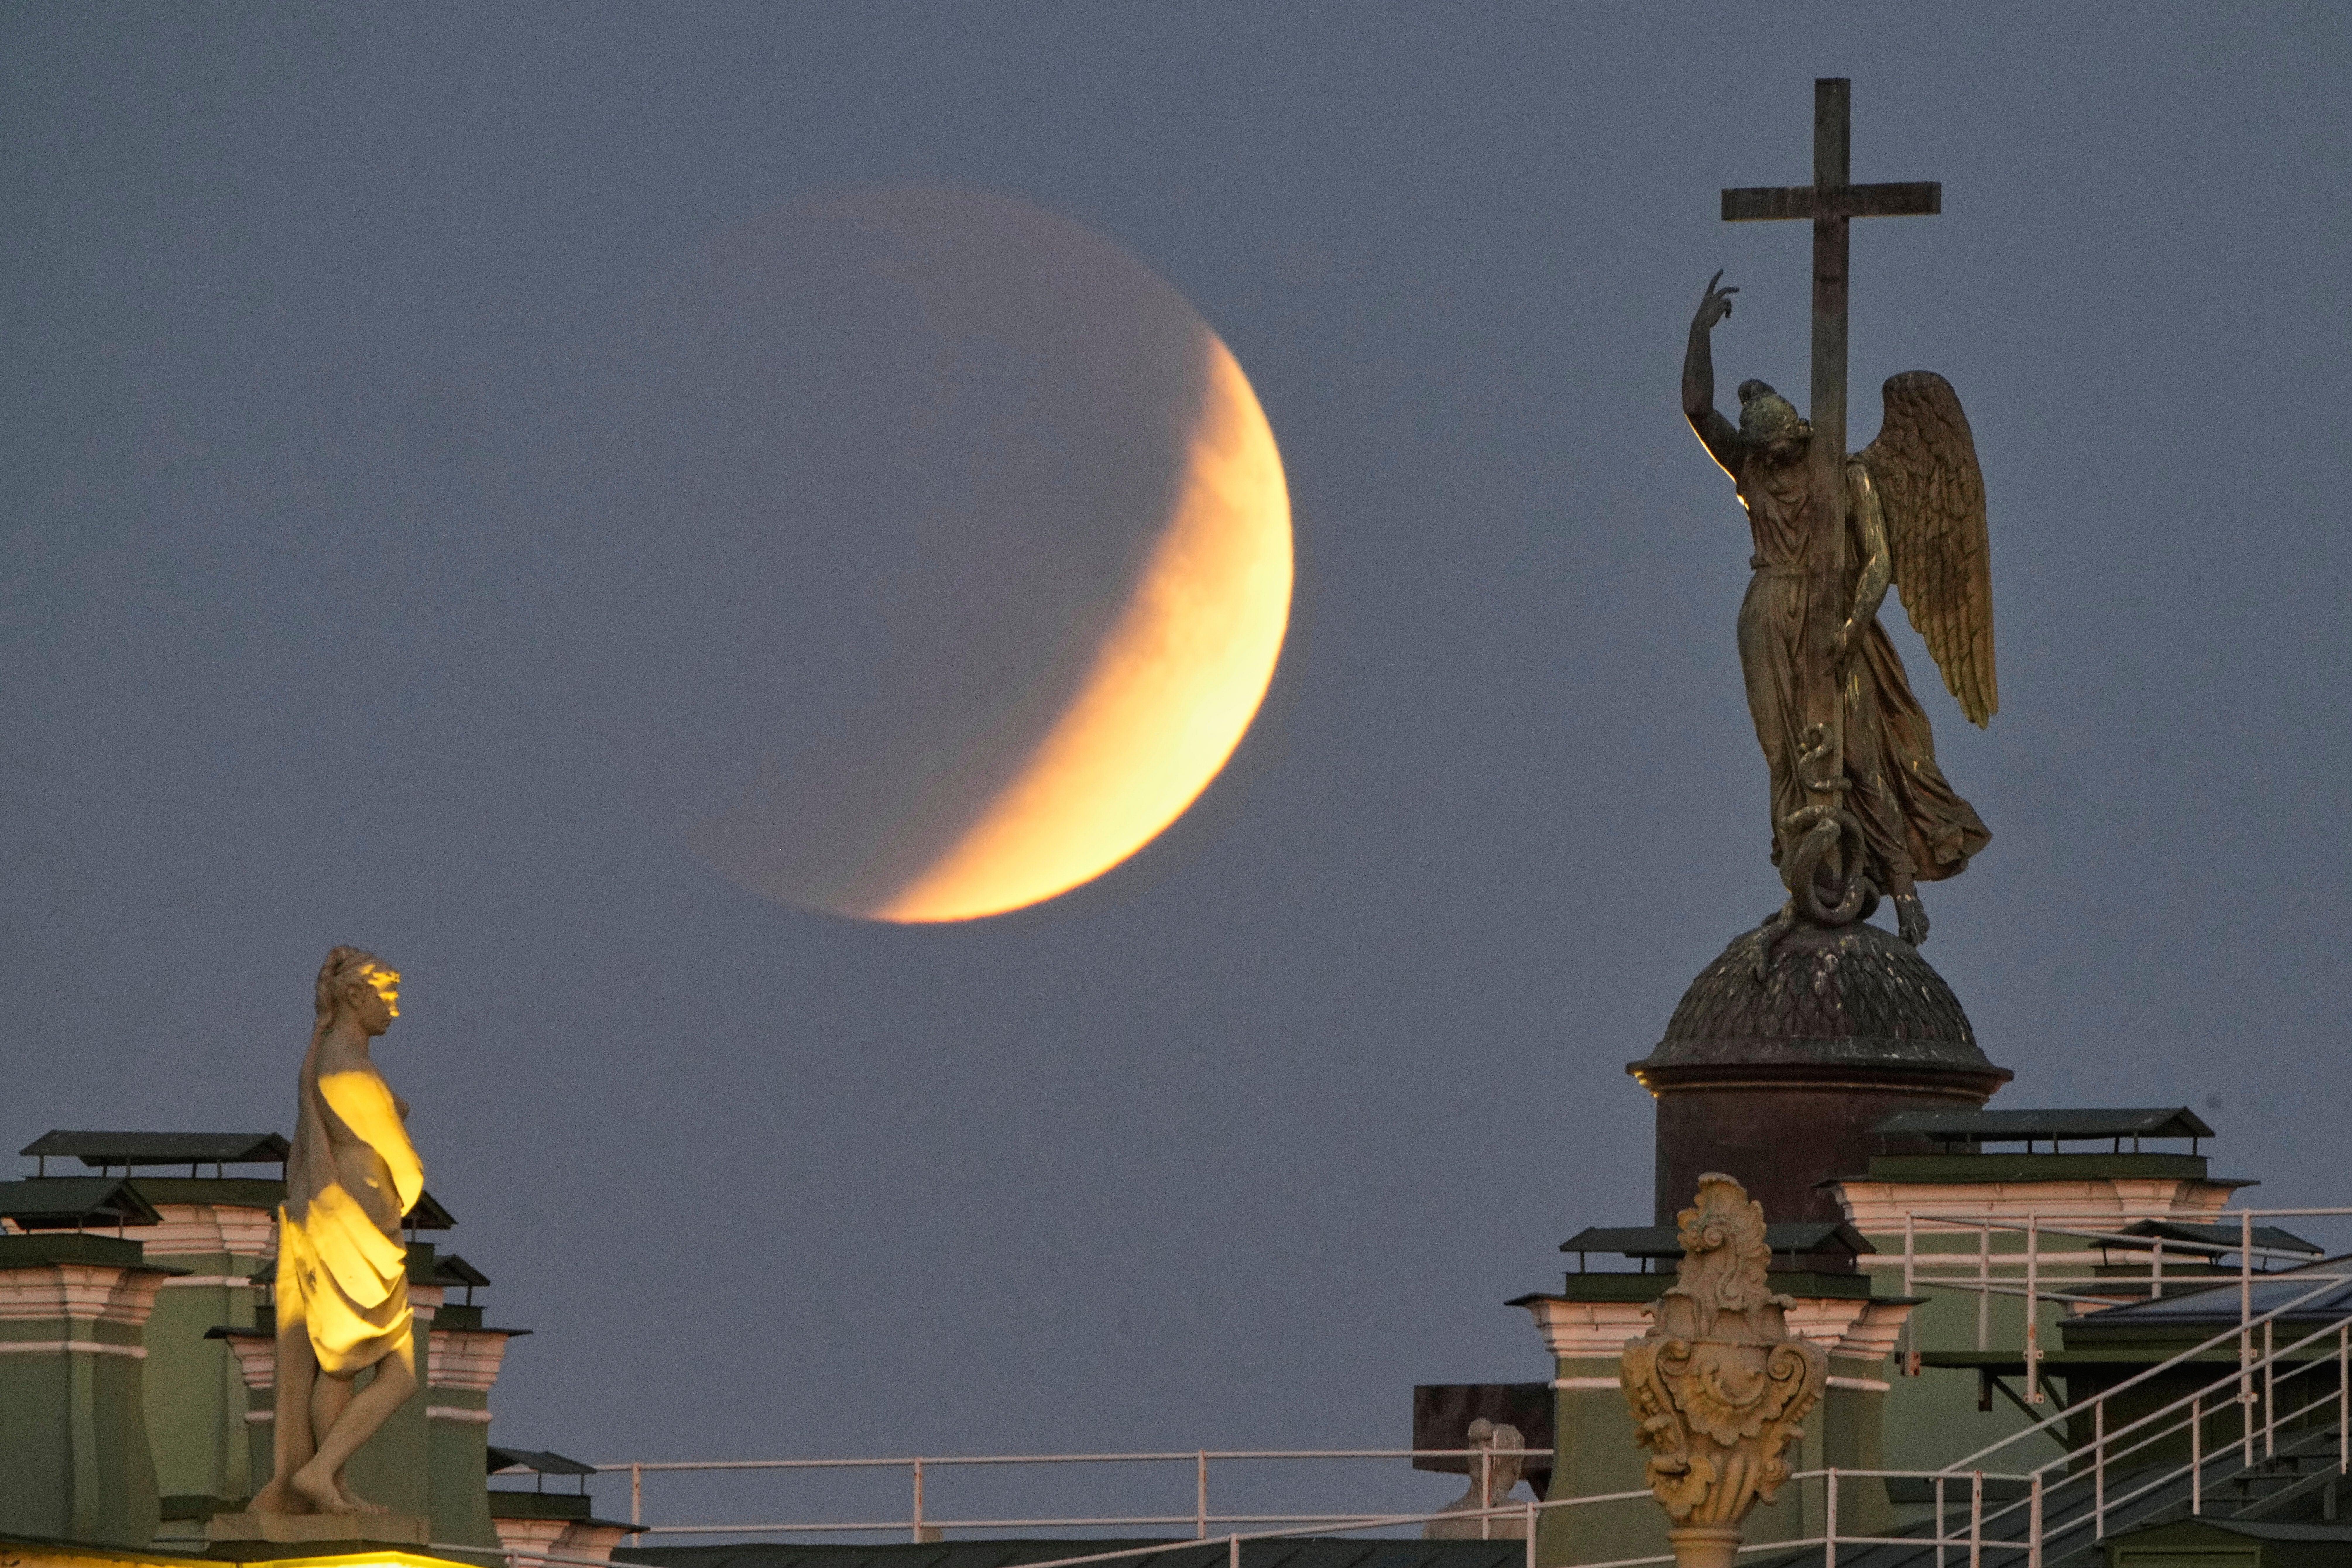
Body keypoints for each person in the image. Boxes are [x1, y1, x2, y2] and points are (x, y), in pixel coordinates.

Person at [1682, 272, 1988, 944]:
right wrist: (1699, 333)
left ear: (1800, 433)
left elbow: (1878, 560)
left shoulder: (1844, 474)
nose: (1780, 461)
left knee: (1861, 752)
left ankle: (1901, 887)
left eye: (1788, 448)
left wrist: (1850, 628)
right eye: (1769, 454)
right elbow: (1698, 412)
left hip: (1836, 616)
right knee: (1784, 754)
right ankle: (1806, 874)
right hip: (1767, 611)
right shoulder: (1752, 469)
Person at [251, 946, 422, 1517]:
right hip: (356, 1216)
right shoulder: (346, 1066)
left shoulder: (332, 1055)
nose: (394, 1007)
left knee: (344, 1362)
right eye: (386, 994)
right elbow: (400, 1158)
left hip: (355, 1213)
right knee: (389, 1373)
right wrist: (408, 1185)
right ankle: (322, 1474)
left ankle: (331, 1486)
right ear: (355, 996)